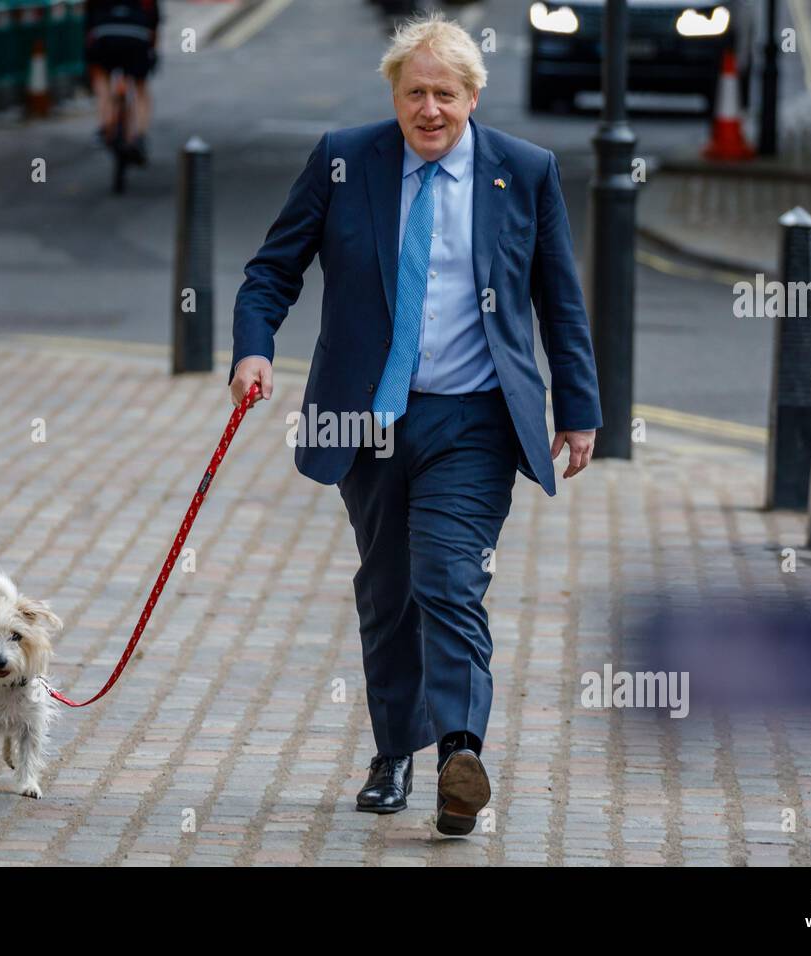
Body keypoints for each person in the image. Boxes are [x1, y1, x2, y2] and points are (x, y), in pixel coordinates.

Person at [227, 14, 601, 836]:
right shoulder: (343, 159)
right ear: (394, 96)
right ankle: (394, 751)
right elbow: (270, 271)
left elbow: (558, 299)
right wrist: (253, 352)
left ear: (474, 97)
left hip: (474, 418)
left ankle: (458, 758)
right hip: (366, 420)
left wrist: (577, 409)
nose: (429, 109)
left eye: (445, 93)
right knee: (389, 589)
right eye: (414, 93)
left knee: (449, 581)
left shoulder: (524, 172)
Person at [85, 0, 159, 164]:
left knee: (101, 78)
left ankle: (104, 125)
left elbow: (89, 13)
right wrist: (152, 50)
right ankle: (139, 136)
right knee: (140, 88)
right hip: (137, 35)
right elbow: (154, 19)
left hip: (104, 33)